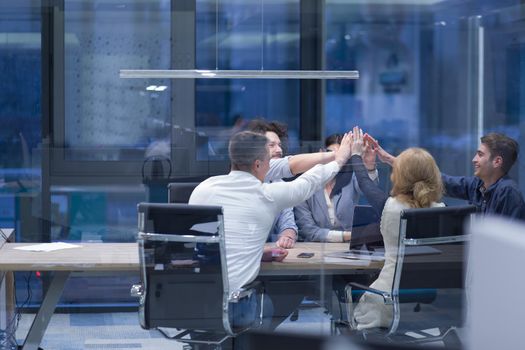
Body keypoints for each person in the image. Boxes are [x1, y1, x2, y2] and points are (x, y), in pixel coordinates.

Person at [188, 130, 352, 329]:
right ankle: (254, 340)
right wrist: (340, 158)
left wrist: (255, 253)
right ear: (258, 164)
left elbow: (209, 244)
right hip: (236, 307)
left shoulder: (203, 189)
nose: (272, 166)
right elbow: (309, 182)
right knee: (294, 289)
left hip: (196, 301)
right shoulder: (267, 195)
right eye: (268, 161)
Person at [349, 128, 445, 330]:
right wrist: (390, 159)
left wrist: (356, 155)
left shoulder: (391, 208)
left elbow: (365, 183)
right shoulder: (442, 212)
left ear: (399, 176)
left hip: (386, 302)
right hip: (429, 303)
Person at [367, 132, 525, 220]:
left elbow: (507, 246)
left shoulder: (508, 193)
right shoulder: (478, 185)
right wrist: (393, 161)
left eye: (480, 155)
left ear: (497, 161)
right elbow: (441, 181)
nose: (474, 160)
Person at [294, 133, 378, 242]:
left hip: (349, 248)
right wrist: (347, 236)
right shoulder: (307, 182)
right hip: (316, 248)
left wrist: (370, 166)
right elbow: (307, 230)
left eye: (344, 154)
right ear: (321, 152)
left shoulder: (351, 179)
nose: (338, 158)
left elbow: (370, 190)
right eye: (332, 153)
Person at [246, 119, 298, 248]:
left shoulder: (278, 183)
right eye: (272, 145)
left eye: (279, 145)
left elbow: (288, 224)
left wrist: (287, 236)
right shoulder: (243, 182)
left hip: (266, 255)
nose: (279, 150)